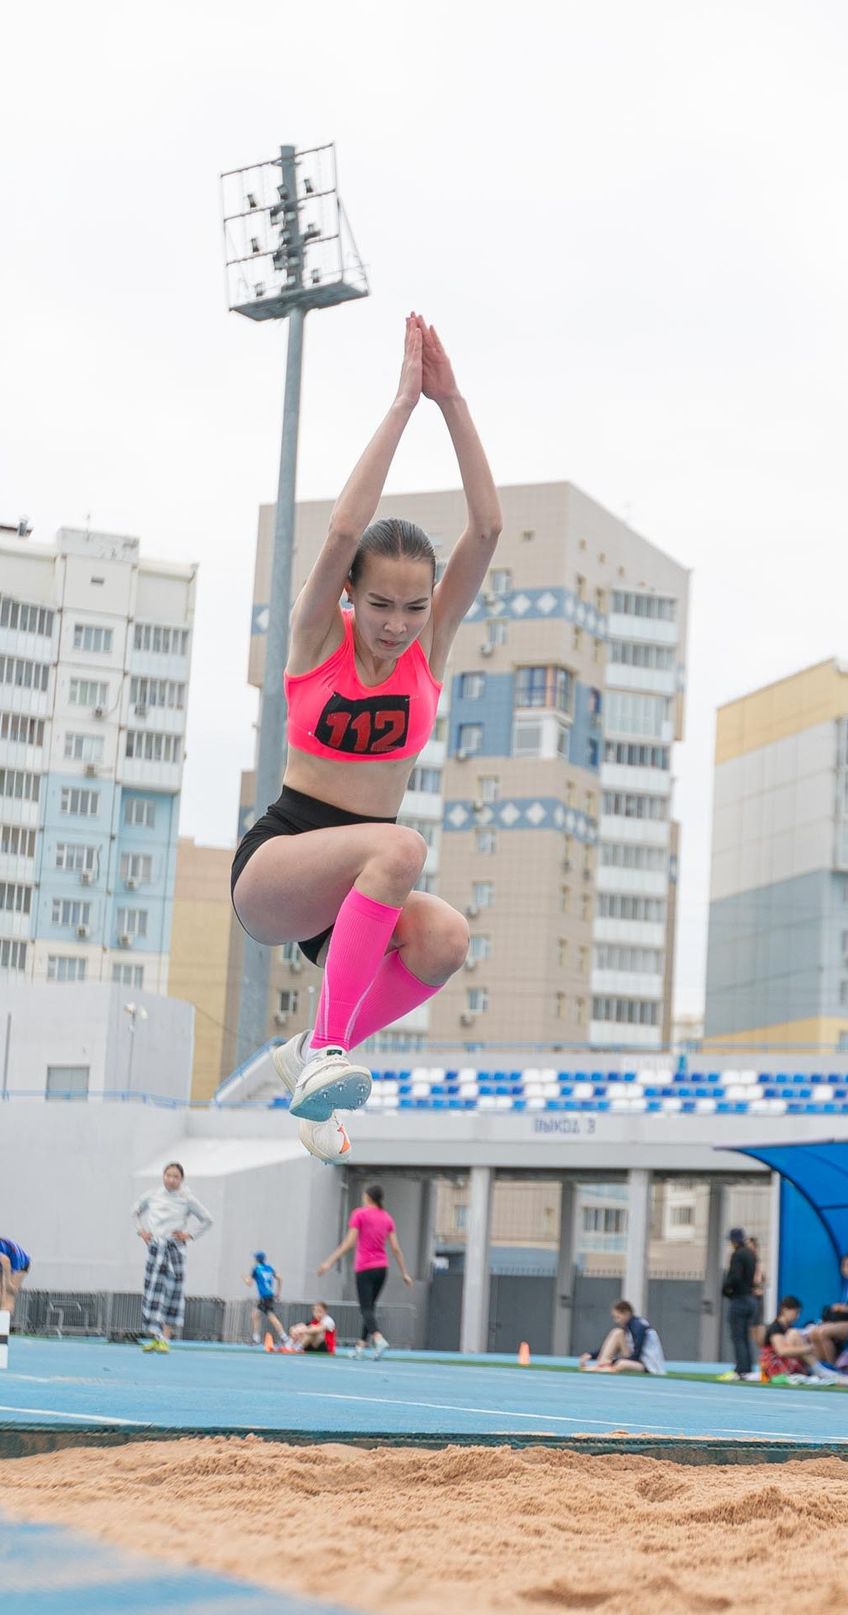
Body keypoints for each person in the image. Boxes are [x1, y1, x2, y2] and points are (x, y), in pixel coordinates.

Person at [232, 314, 499, 1161]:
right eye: (379, 604)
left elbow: (486, 531)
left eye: (413, 608)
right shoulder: (317, 638)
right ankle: (326, 1052)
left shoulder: (429, 649)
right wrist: (403, 404)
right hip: (283, 862)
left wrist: (454, 402)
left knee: (446, 937)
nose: (395, 624)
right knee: (400, 847)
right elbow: (346, 531)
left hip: (356, 896)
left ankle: (311, 1051)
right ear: (351, 596)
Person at [317, 1182, 410, 1358]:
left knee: (366, 1308)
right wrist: (404, 1272)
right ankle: (360, 1347)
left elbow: (349, 1243)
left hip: (365, 1268)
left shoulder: (359, 1214)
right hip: (382, 1268)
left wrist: (329, 1262)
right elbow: (396, 1248)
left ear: (367, 1197)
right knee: (370, 1309)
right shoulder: (387, 1218)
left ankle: (378, 1337)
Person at [132, 1162, 215, 1353]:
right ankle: (154, 1335)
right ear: (163, 1176)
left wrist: (190, 1235)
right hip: (156, 1247)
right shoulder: (153, 1195)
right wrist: (142, 1232)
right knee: (153, 1291)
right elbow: (134, 1212)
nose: (171, 1179)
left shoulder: (186, 1199)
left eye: (175, 1176)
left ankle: (166, 1338)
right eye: (168, 1175)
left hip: (174, 1249)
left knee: (172, 1291)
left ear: (181, 1179)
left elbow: (207, 1219)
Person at [719, 1225, 761, 1382]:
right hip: (750, 1299)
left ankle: (741, 1369)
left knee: (737, 1336)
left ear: (734, 1241)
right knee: (745, 1336)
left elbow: (735, 1277)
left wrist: (725, 1288)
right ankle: (748, 1367)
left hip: (740, 1300)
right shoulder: (751, 1254)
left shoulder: (737, 1255)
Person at [582, 1298, 666, 1373]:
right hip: (636, 1360)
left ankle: (607, 1366)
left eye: (618, 1317)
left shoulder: (638, 1327)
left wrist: (613, 1361)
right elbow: (608, 1346)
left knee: (622, 1364)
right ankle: (601, 1363)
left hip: (648, 1366)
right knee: (617, 1333)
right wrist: (591, 1355)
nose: (616, 1321)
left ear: (626, 1313)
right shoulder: (629, 1327)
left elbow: (636, 1355)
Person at [249, 1251, 289, 1349]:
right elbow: (280, 1278)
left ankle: (283, 1337)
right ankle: (257, 1337)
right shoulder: (269, 1267)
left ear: (257, 1259)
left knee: (270, 1316)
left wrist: (244, 1278)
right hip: (269, 1295)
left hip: (264, 1296)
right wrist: (278, 1292)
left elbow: (249, 1283)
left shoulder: (256, 1269)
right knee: (256, 1314)